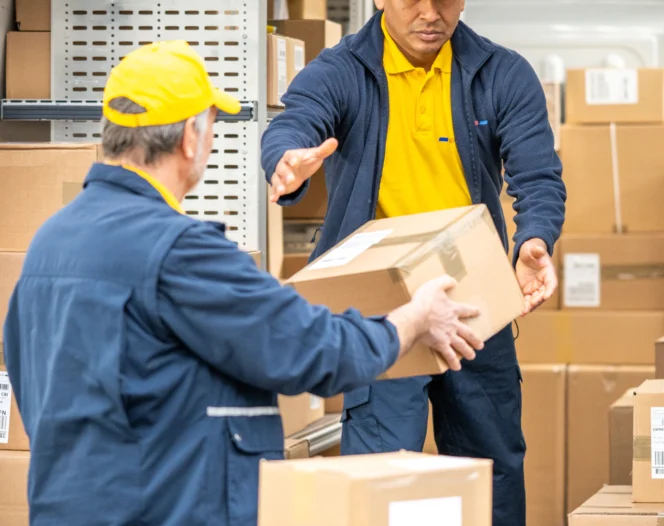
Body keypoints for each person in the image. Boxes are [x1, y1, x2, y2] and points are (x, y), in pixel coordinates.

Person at [3, 41, 485, 526]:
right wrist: (413, 317)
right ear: (191, 136)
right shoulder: (178, 251)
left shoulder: (50, 243)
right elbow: (311, 350)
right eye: (212, 124)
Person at [261, 1, 566, 525]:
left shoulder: (502, 72)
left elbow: (537, 176)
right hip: (386, 312)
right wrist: (287, 159)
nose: (429, 13)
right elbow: (296, 123)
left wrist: (534, 239)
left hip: (476, 304)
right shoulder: (341, 70)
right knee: (383, 471)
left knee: (491, 470)